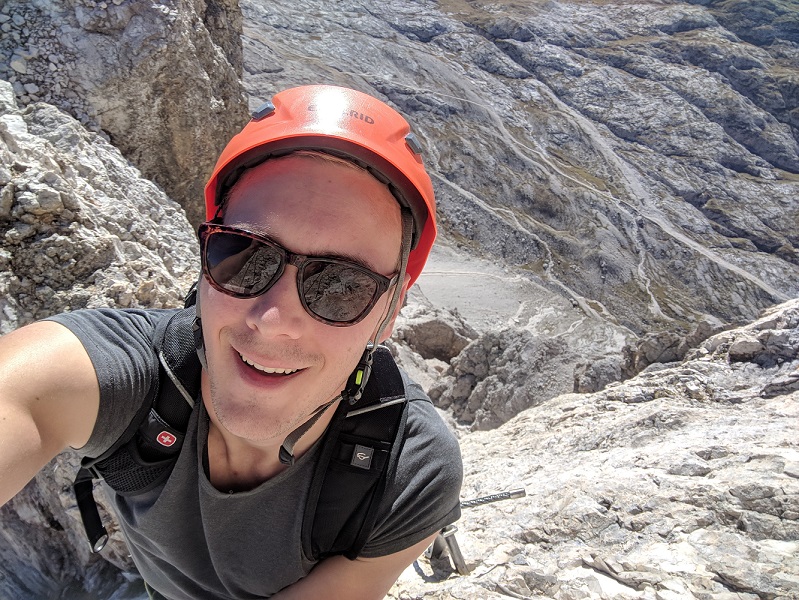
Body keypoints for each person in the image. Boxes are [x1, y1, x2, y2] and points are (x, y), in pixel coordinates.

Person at [0, 85, 463, 599]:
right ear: (203, 260)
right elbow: (23, 391)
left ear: (389, 314)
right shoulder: (125, 375)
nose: (272, 320)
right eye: (244, 255)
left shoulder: (407, 472)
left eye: (341, 286)